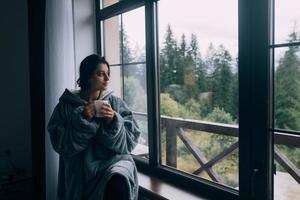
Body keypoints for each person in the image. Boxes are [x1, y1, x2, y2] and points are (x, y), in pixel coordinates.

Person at [47, 54, 141, 200]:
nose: (107, 79)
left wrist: (113, 121)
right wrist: (82, 120)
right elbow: (60, 145)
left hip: (113, 162)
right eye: (100, 74)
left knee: (118, 183)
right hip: (79, 169)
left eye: (108, 74)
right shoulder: (65, 106)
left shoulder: (115, 103)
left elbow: (130, 141)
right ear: (87, 76)